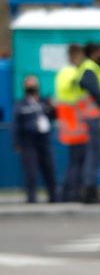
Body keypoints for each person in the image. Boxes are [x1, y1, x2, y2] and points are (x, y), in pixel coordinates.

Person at [13, 75, 58, 204]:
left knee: (49, 169)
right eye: (29, 85)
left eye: (34, 84)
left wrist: (53, 107)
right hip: (29, 141)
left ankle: (53, 197)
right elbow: (16, 124)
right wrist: (16, 143)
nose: (32, 87)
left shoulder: (44, 102)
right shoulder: (21, 104)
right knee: (31, 171)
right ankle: (31, 199)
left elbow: (54, 116)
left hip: (44, 140)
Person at [54, 44, 89, 202]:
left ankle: (69, 192)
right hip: (74, 123)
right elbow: (75, 88)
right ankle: (71, 193)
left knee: (75, 161)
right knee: (76, 162)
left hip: (71, 122)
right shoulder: (70, 73)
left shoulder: (64, 72)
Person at [79, 41, 100, 204]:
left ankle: (89, 189)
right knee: (93, 156)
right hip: (93, 117)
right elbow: (96, 93)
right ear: (93, 53)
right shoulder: (90, 69)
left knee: (92, 156)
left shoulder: (91, 68)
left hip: (92, 117)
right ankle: (89, 191)